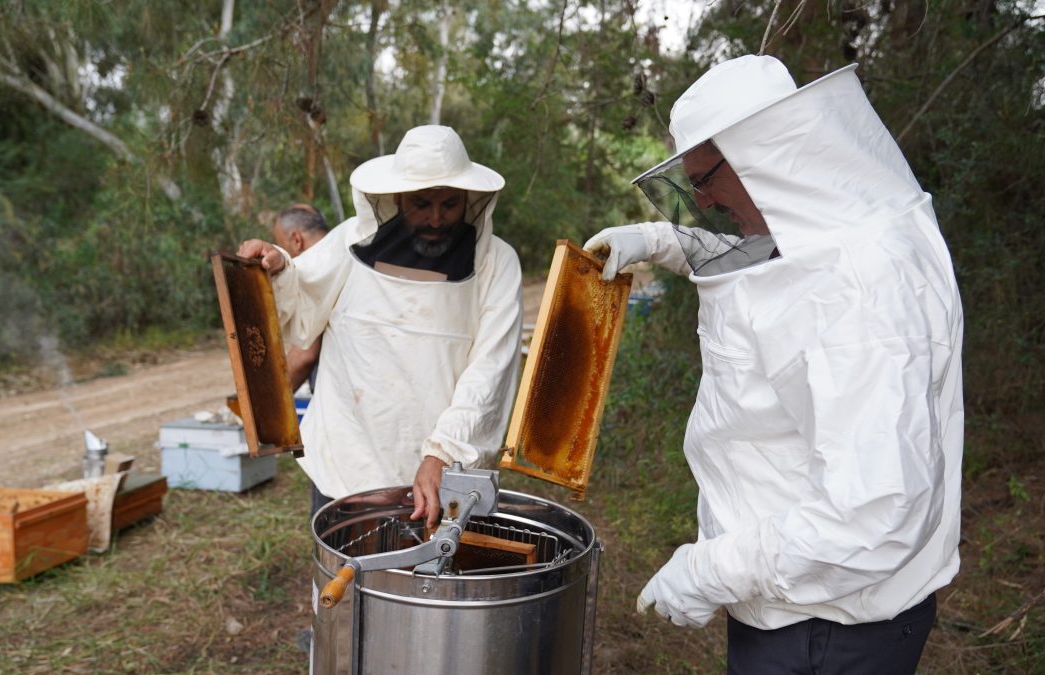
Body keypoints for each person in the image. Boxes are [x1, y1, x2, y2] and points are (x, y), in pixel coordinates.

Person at [585, 55, 963, 673]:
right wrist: (662, 241)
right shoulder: (836, 233)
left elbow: (874, 516)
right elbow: (768, 262)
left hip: (828, 623)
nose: (701, 199)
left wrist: (707, 571)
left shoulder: (860, 296)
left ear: (762, 156)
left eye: (705, 178)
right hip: (802, 603)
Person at [238, 125, 522, 527]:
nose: (437, 219)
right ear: (397, 196)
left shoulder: (497, 263)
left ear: (470, 199)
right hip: (345, 462)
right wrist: (280, 265)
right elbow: (300, 310)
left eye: (450, 204)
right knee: (340, 584)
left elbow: (491, 369)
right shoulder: (348, 243)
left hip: (439, 476)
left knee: (425, 586)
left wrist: (442, 452)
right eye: (422, 203)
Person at [271, 203, 330, 394]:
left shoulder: (315, 271)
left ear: (297, 240)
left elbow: (304, 356)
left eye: (281, 245)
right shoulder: (352, 254)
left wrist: (266, 402)